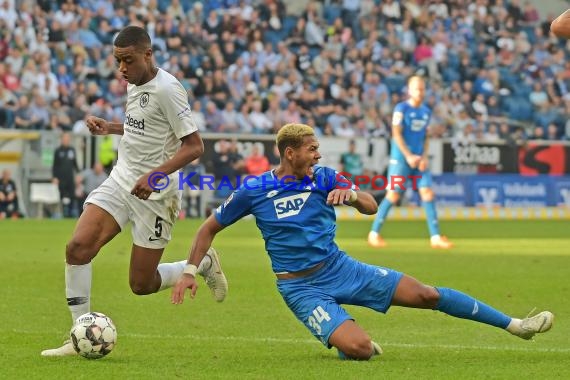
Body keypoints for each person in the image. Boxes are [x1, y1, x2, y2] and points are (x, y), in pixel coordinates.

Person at [171, 123, 554, 360]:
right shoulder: (254, 190)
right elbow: (207, 228)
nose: (317, 154)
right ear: (290, 153)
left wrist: (352, 196)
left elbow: (371, 204)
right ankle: (350, 339)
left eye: (318, 148)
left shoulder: (324, 177)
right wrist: (190, 270)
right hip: (300, 288)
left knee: (427, 295)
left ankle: (516, 324)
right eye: (311, 149)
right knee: (359, 350)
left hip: (341, 268)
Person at [41, 26, 228, 357]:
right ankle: (78, 334)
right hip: (121, 180)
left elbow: (194, 146)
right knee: (78, 248)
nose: (121, 69)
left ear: (148, 54)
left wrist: (155, 175)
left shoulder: (169, 89)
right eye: (117, 61)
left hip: (155, 196)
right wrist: (111, 127)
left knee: (141, 285)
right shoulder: (135, 84)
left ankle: (200, 264)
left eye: (127, 61)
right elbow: (146, 127)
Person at [368, 76, 453, 249]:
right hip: (400, 160)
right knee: (393, 195)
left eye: (422, 89)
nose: (420, 92)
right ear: (409, 90)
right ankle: (374, 234)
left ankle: (435, 237)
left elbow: (426, 137)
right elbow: (396, 134)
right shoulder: (401, 109)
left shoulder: (426, 112)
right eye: (417, 89)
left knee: (428, 193)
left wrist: (424, 156)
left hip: (418, 160)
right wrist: (408, 156)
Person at [52, 132, 79, 218]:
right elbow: (55, 166)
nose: (66, 141)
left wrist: (78, 174)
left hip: (70, 178)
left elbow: (75, 164)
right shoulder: (58, 151)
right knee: (63, 196)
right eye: (65, 139)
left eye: (68, 139)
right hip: (61, 178)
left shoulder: (72, 150)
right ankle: (63, 213)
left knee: (71, 196)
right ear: (61, 140)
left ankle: (71, 214)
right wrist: (54, 177)